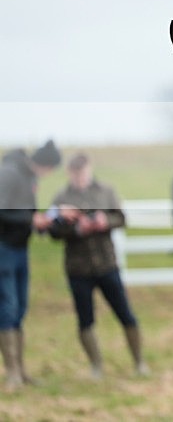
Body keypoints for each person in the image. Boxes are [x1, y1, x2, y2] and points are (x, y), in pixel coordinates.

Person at [46, 153, 148, 378]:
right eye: (75, 174)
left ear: (89, 170)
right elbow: (52, 230)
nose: (79, 178)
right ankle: (96, 366)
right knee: (85, 318)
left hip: (106, 265)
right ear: (69, 173)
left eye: (82, 173)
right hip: (78, 268)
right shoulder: (61, 197)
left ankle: (139, 362)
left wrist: (105, 222)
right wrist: (74, 228)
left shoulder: (106, 191)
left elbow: (121, 219)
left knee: (125, 313)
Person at [0, 139, 61, 389]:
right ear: (45, 164)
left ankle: (21, 371)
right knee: (8, 306)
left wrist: (44, 222)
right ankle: (12, 373)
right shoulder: (10, 173)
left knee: (20, 307)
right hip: (4, 249)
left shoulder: (27, 177)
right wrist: (30, 219)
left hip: (20, 249)